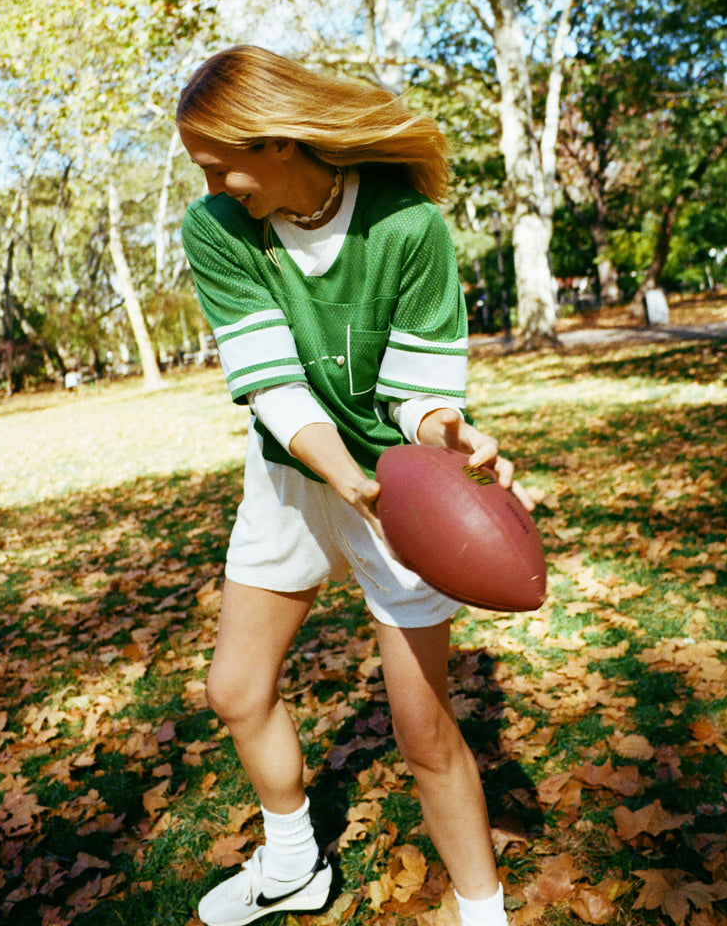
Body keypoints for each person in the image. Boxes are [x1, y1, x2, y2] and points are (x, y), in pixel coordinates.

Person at [176, 45, 530, 926]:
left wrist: (451, 433)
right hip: (291, 478)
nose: (216, 186)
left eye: (224, 166)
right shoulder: (216, 228)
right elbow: (272, 382)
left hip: (399, 496)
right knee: (236, 689)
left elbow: (417, 395)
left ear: (281, 143)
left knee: (423, 733)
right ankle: (293, 865)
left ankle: (482, 912)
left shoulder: (408, 227)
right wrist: (337, 473)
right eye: (204, 172)